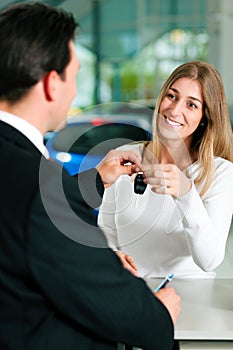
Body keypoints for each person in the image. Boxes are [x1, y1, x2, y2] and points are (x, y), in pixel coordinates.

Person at [0, 2, 181, 350]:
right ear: (53, 84)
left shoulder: (27, 177)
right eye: (76, 73)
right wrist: (159, 314)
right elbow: (128, 315)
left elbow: (21, 226)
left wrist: (94, 181)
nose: (74, 91)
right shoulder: (41, 189)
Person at [98, 61, 233, 279]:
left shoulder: (221, 173)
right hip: (129, 295)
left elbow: (210, 261)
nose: (175, 110)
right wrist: (112, 257)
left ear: (204, 118)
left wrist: (186, 194)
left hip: (190, 300)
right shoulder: (125, 156)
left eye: (192, 105)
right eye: (172, 96)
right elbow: (106, 230)